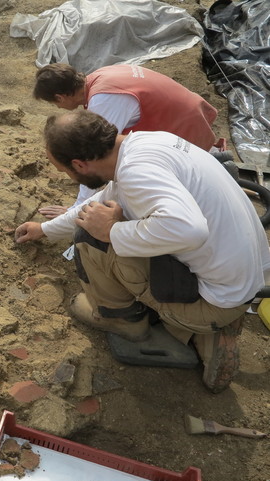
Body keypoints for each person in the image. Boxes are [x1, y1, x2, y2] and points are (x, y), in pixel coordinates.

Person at [15, 110, 270, 393]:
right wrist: (45, 228)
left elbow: (191, 229)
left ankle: (128, 322)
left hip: (215, 299)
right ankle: (211, 325)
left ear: (79, 164)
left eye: (65, 170)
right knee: (115, 221)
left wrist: (111, 232)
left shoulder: (135, 172)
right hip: (241, 279)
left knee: (91, 239)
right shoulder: (143, 144)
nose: (68, 176)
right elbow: (104, 199)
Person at [33, 63, 219, 218]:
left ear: (60, 96)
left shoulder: (105, 100)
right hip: (187, 117)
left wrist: (77, 209)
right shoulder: (100, 76)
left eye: (54, 103)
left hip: (186, 134)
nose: (58, 107)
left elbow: (91, 155)